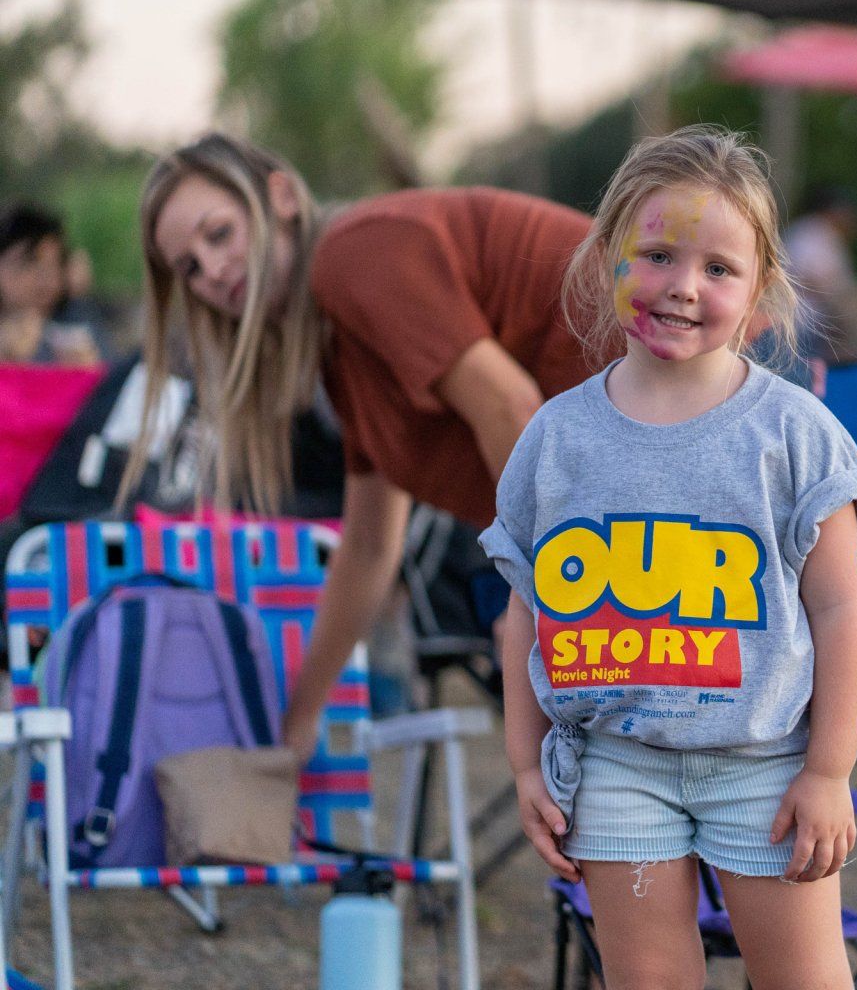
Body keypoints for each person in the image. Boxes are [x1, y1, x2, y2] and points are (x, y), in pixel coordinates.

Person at [480, 127, 857, 990]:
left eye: (719, 268)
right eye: (658, 255)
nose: (684, 286)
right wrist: (523, 763)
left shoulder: (795, 435)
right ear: (607, 260)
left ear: (761, 291)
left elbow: (842, 612)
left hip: (765, 764)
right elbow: (523, 612)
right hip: (616, 764)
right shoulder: (556, 438)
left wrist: (829, 771)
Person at [125, 132, 619, 758]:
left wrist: (542, 595)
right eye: (189, 268)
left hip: (693, 408)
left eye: (219, 234)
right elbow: (367, 546)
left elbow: (510, 408)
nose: (212, 271)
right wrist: (298, 722)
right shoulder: (344, 354)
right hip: (628, 476)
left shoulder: (355, 255)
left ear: (281, 198)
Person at [0, 203, 102, 366]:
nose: (46, 279)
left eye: (55, 265)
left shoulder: (73, 325)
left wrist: (86, 372)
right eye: (29, 262)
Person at [782, 187, 857, 358]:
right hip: (803, 323)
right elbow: (797, 276)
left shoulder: (828, 236)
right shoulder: (807, 233)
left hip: (820, 324)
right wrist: (835, 297)